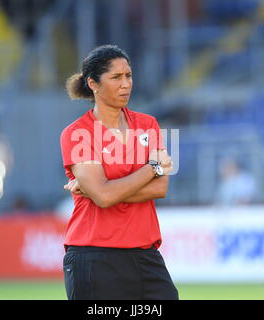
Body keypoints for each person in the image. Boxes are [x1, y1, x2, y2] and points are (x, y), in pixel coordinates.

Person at [59, 44, 178, 300]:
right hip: (94, 254)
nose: (126, 84)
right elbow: (104, 197)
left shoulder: (148, 124)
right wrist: (153, 167)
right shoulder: (77, 133)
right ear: (93, 83)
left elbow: (161, 188)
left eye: (128, 76)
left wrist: (99, 190)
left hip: (144, 253)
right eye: (116, 77)